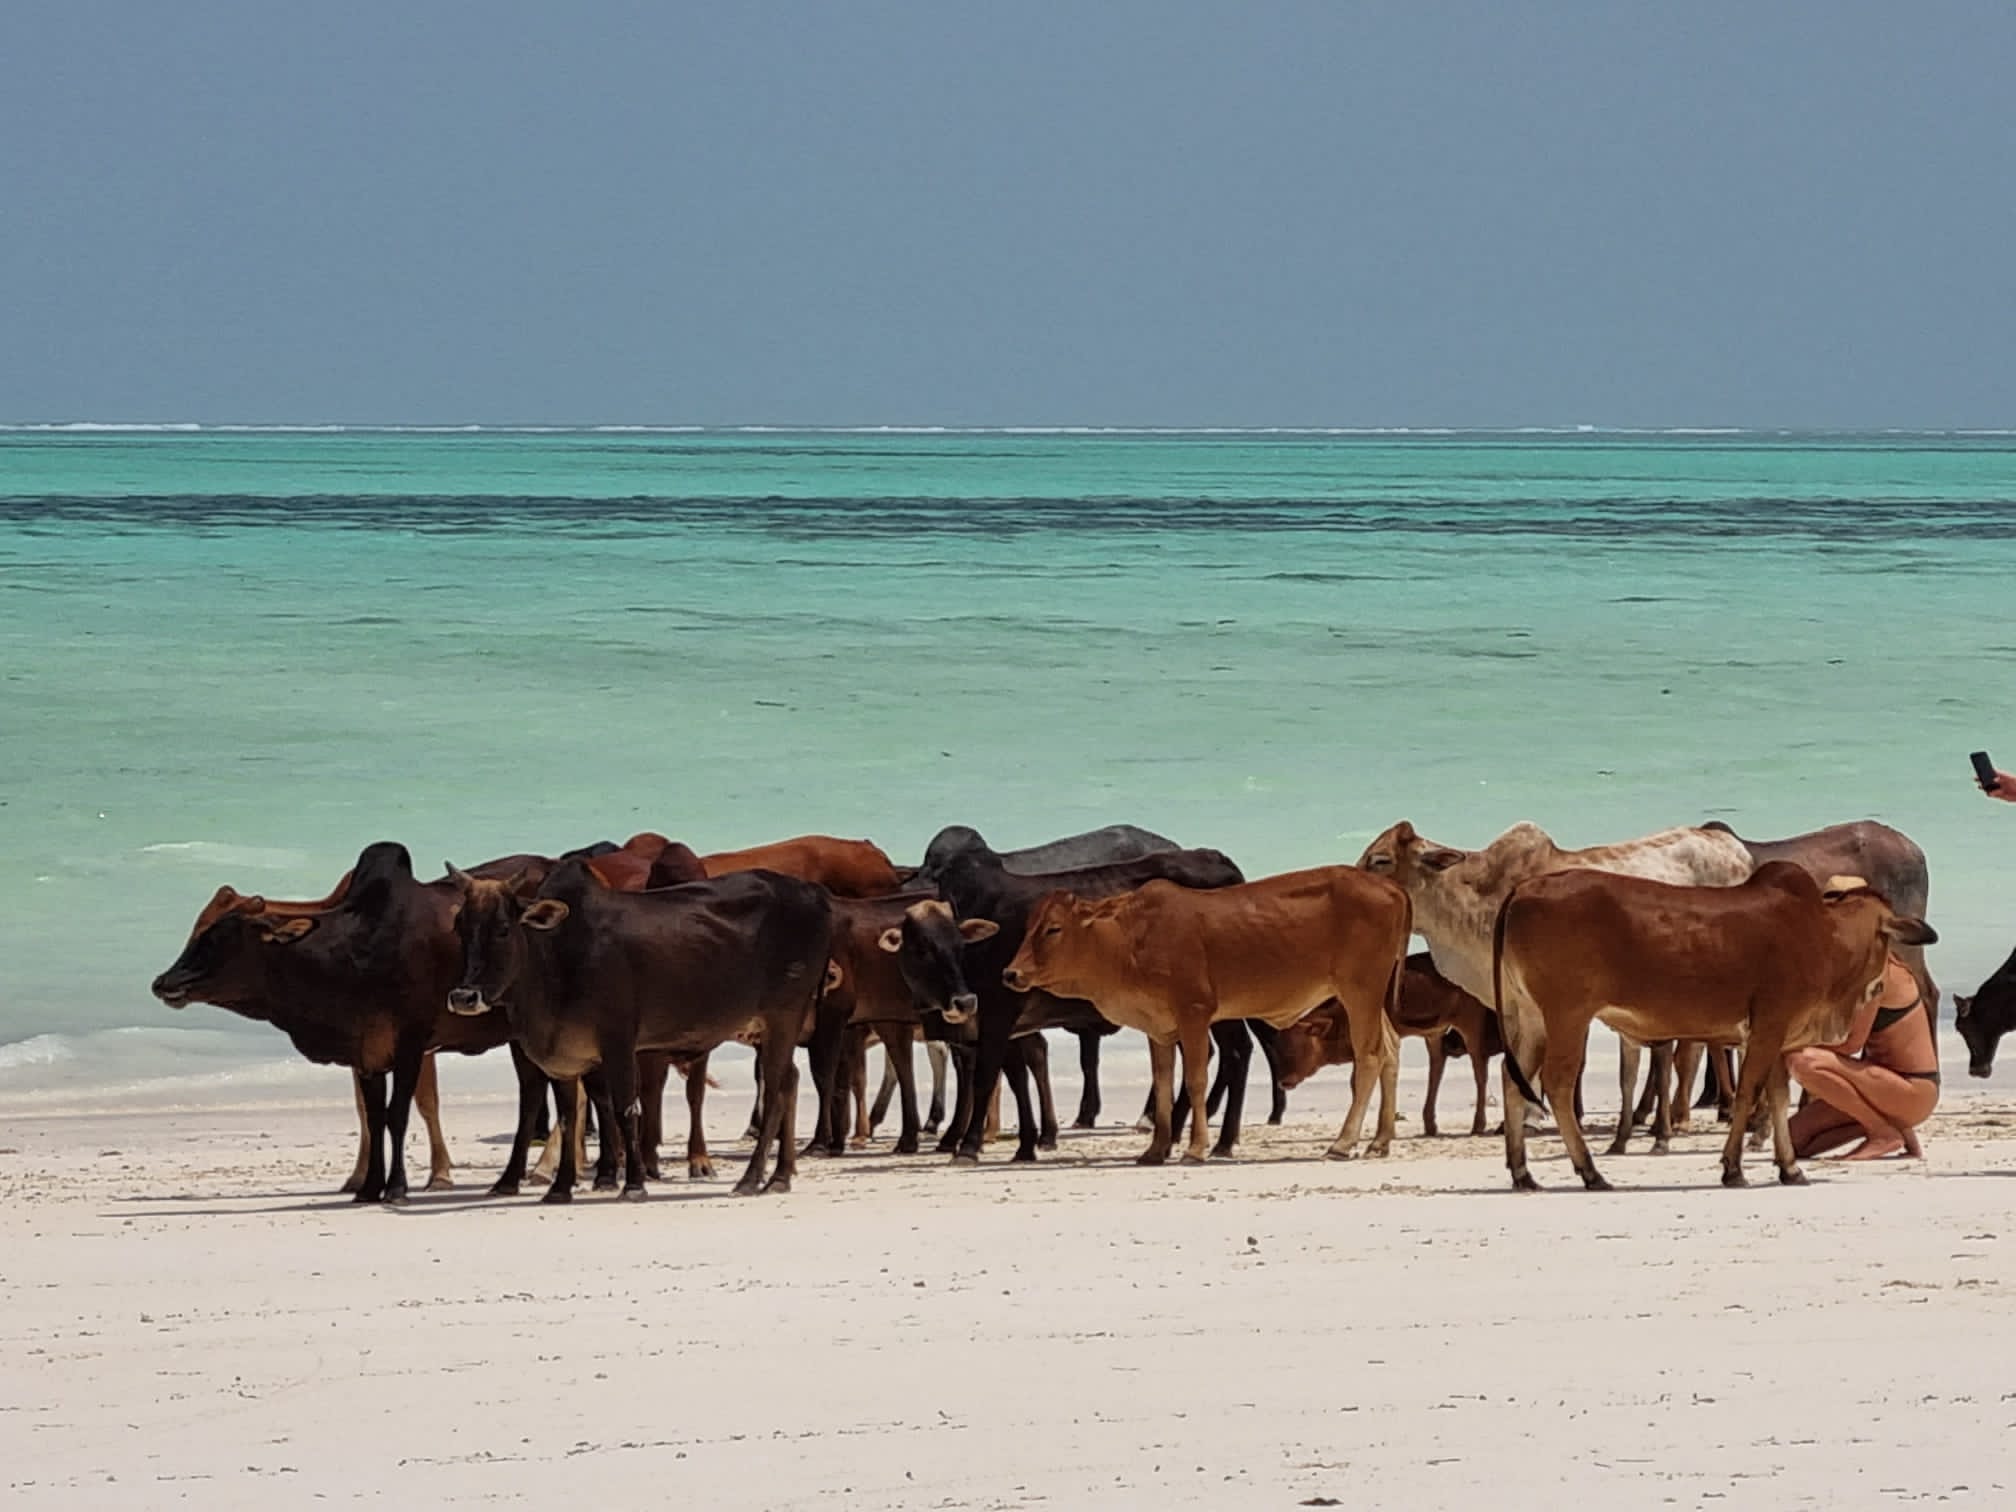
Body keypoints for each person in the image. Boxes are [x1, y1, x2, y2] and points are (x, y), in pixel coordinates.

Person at [1784, 877, 1940, 1160]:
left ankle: (1882, 1131)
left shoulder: (1877, 970)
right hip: (1880, 1085)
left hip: (1912, 1087)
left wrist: (1786, 1044)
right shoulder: (1854, 967)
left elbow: (1850, 1043)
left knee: (1802, 1060)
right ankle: (1893, 1128)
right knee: (1791, 1142)